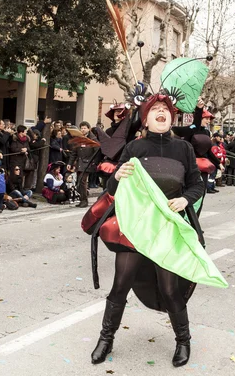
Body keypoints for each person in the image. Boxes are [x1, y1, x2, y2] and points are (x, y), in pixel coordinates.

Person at [90, 93, 206, 368]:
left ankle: (183, 340)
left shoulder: (184, 149)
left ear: (171, 117)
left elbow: (196, 184)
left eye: (165, 109)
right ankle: (106, 339)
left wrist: (185, 199)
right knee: (120, 285)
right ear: (146, 118)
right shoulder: (134, 148)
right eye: (155, 109)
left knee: (169, 288)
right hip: (136, 226)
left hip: (167, 227)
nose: (161, 112)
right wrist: (116, 176)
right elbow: (114, 189)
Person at [68, 121, 98, 208]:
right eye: (81, 128)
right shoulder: (78, 138)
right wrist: (70, 163)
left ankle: (84, 200)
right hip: (79, 163)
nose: (83, 129)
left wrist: (93, 162)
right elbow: (74, 153)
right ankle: (82, 199)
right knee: (79, 182)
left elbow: (97, 151)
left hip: (88, 163)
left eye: (85, 128)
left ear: (88, 129)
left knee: (82, 181)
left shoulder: (93, 139)